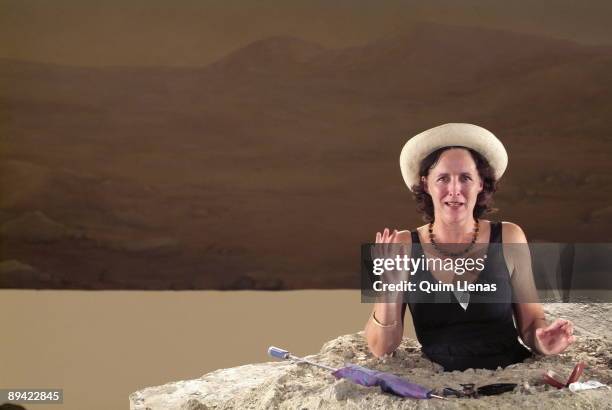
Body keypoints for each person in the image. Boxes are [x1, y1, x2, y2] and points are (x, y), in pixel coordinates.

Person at [364, 123, 575, 371]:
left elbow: (531, 325)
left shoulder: (509, 236)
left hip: (507, 376)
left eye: (465, 178)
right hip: (439, 384)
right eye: (443, 178)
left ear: (481, 184)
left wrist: (543, 342)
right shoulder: (403, 245)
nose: (454, 190)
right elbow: (381, 348)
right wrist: (389, 286)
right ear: (425, 184)